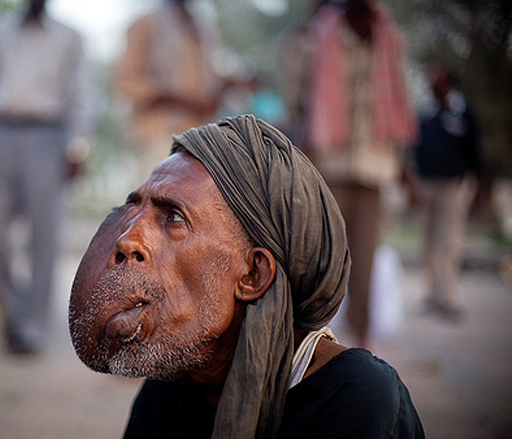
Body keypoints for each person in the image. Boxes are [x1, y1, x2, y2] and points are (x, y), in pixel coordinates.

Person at [69, 115, 425, 438]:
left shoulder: (359, 402)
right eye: (134, 208)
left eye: (174, 218)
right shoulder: (173, 382)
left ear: (254, 275)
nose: (128, 237)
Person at [279, 0, 418, 347]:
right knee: (321, 251)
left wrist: (405, 166)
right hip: (329, 161)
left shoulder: (389, 36)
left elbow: (400, 97)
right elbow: (298, 96)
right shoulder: (319, 32)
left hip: (375, 163)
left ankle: (361, 334)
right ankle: (308, 334)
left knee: (365, 254)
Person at [0, 0, 94, 354]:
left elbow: (83, 93)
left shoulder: (70, 37)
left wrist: (77, 147)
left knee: (44, 237)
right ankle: (16, 311)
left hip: (47, 136)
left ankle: (33, 328)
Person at [113, 0, 225, 184]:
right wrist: (184, 101)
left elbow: (209, 78)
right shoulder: (147, 22)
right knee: (158, 202)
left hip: (198, 136)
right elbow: (127, 81)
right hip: (158, 134)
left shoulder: (201, 26)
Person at [409, 63, 482, 321]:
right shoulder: (427, 114)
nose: (432, 82)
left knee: (448, 241)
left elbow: (474, 150)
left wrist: (476, 183)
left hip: (453, 186)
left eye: (437, 78)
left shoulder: (462, 112)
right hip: (428, 185)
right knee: (428, 241)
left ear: (448, 81)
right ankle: (431, 294)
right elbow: (417, 148)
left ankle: (447, 297)